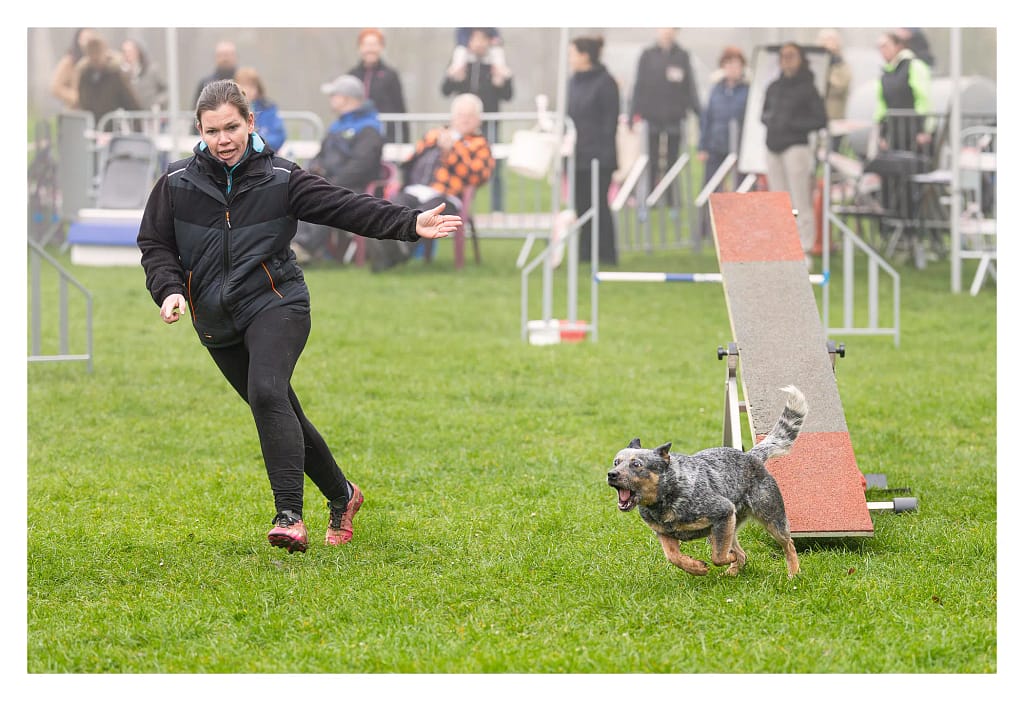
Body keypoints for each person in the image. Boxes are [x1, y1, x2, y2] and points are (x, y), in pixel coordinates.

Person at [136, 79, 460, 554]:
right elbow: (155, 245)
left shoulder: (282, 178)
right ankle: (343, 495)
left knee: (266, 392)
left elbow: (346, 207)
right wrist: (167, 290)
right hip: (215, 318)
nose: (223, 139)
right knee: (280, 411)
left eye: (232, 127)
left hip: (277, 302)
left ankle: (288, 515)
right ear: (199, 131)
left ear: (251, 122)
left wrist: (409, 223)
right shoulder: (176, 182)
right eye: (212, 131)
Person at [371, 92, 494, 271]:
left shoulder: (480, 145)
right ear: (452, 117)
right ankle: (386, 248)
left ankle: (397, 252)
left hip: (448, 195)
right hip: (416, 188)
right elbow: (411, 160)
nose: (464, 120)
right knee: (398, 204)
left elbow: (477, 177)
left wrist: (451, 153)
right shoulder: (434, 134)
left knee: (427, 212)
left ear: (478, 120)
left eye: (470, 116)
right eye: (461, 115)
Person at [292, 74, 387, 262]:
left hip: (355, 189)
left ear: (346, 98)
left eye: (334, 95)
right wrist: (312, 172)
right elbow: (320, 156)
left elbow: (361, 166)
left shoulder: (369, 127)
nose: (331, 99)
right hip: (331, 184)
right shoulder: (337, 126)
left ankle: (302, 247)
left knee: (323, 198)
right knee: (296, 192)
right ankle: (289, 245)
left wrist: (331, 184)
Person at [760, 42, 827, 268]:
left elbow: (820, 119)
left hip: (796, 147)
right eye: (783, 56)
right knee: (779, 200)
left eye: (791, 56)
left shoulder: (808, 88)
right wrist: (772, 122)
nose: (787, 60)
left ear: (800, 59)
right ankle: (782, 246)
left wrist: (793, 124)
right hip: (774, 147)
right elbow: (764, 113)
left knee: (800, 200)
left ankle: (804, 247)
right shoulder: (774, 87)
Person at [441, 27, 513, 211]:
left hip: (489, 125)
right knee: (459, 167)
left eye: (483, 39)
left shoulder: (495, 64)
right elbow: (445, 90)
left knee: (495, 169)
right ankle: (461, 209)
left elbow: (508, 95)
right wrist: (453, 75)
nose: (479, 43)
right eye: (476, 39)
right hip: (463, 127)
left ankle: (497, 209)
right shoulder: (462, 63)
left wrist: (502, 79)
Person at [629, 28, 701, 206]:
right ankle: (651, 197)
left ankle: (671, 198)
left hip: (674, 117)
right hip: (652, 116)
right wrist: (633, 113)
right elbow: (639, 86)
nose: (667, 32)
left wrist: (698, 112)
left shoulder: (682, 56)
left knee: (672, 160)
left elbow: (689, 86)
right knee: (652, 160)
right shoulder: (647, 55)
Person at [568, 35, 619, 266]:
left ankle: (606, 254)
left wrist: (603, 153)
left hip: (599, 156)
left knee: (598, 205)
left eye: (573, 53)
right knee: (581, 205)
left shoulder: (605, 82)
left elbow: (610, 121)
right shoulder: (573, 81)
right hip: (577, 156)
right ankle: (586, 253)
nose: (570, 58)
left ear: (585, 55)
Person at [697, 45, 749, 238]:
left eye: (736, 65)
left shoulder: (748, 91)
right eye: (728, 64)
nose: (732, 69)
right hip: (716, 145)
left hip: (740, 148)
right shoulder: (716, 90)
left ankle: (741, 227)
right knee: (710, 187)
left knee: (742, 188)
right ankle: (707, 229)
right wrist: (703, 146)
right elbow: (706, 118)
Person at [347, 28, 407, 143]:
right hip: (356, 133)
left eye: (374, 44)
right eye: (366, 45)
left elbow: (400, 107)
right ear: (360, 48)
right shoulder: (352, 75)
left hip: (385, 134)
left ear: (381, 47)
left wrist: (404, 140)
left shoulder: (390, 75)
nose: (370, 49)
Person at [74, 35, 142, 130]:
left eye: (97, 52)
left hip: (110, 129)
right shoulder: (84, 75)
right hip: (89, 128)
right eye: (91, 52)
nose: (95, 57)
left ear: (104, 51)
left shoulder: (115, 75)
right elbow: (81, 102)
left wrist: (138, 134)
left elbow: (132, 105)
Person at [233, 66, 286, 151]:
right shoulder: (229, 109)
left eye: (251, 86)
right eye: (243, 86)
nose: (247, 90)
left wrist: (257, 142)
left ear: (258, 88)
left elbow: (278, 137)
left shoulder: (268, 108)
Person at [816, 28, 852, 152]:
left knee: (831, 156)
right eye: (824, 40)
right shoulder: (816, 63)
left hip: (834, 119)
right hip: (814, 119)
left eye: (830, 40)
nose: (826, 43)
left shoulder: (841, 65)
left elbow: (839, 86)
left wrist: (827, 67)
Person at [50, 28, 96, 109]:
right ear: (78, 40)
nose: (88, 42)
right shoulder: (69, 61)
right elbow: (55, 87)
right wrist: (76, 98)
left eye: (91, 38)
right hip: (75, 112)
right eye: (85, 38)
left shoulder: (98, 62)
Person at [121, 38, 168, 113]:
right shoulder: (120, 73)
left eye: (130, 51)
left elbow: (166, 91)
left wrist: (157, 104)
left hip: (150, 115)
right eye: (124, 52)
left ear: (137, 52)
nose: (127, 54)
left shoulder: (151, 70)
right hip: (129, 117)